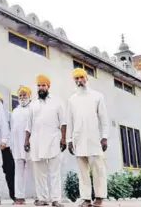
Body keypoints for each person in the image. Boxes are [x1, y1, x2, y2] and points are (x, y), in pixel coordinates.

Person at [67, 68, 109, 207]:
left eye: (81, 78)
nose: (79, 81)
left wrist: (104, 137)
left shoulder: (97, 96)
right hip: (78, 139)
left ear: (86, 78)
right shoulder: (72, 100)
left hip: (94, 138)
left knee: (98, 168)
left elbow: (104, 119)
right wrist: (69, 140)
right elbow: (70, 121)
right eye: (76, 79)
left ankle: (99, 198)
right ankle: (86, 199)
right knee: (82, 171)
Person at [24, 74, 66, 207]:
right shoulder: (33, 104)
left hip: (54, 140)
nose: (41, 88)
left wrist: (64, 139)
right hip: (36, 141)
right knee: (39, 173)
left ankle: (56, 199)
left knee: (54, 172)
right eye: (39, 85)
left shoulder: (57, 101)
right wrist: (26, 140)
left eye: (43, 85)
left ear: (48, 86)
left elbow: (63, 122)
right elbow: (28, 124)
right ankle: (42, 198)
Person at [0, 92, 15, 205]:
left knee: (10, 171)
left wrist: (9, 145)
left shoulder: (8, 114)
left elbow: (12, 131)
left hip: (6, 147)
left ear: (2, 102)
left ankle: (14, 195)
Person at [10, 86, 32, 205]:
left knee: (35, 173)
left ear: (29, 96)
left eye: (25, 95)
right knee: (18, 173)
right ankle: (19, 197)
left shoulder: (32, 109)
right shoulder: (15, 111)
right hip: (17, 147)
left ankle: (39, 196)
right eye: (20, 95)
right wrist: (12, 146)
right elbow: (12, 129)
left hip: (31, 147)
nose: (22, 97)